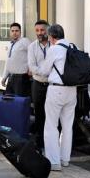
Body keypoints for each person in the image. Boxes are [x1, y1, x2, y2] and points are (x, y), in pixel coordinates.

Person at [34, 24, 77, 171]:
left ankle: (54, 162)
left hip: (56, 90)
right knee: (67, 126)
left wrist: (36, 71)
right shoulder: (73, 47)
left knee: (51, 126)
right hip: (72, 91)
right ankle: (65, 159)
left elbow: (45, 70)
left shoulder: (54, 49)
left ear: (51, 37)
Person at [27, 20, 50, 148]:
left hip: (52, 86)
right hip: (38, 85)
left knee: (51, 115)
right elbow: (32, 66)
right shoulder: (32, 47)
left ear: (47, 30)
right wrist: (47, 72)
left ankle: (52, 142)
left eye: (42, 30)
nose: (39, 33)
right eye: (37, 30)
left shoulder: (54, 45)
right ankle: (41, 142)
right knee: (40, 114)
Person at [1, 23, 31, 97]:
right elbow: (8, 62)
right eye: (12, 31)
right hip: (11, 78)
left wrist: (31, 68)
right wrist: (4, 77)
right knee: (9, 101)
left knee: (19, 102)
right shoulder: (11, 44)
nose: (14, 33)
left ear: (20, 32)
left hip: (21, 79)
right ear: (10, 32)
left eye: (17, 31)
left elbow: (33, 54)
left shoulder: (25, 41)